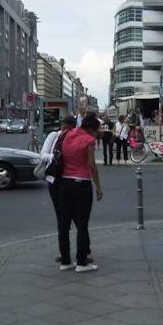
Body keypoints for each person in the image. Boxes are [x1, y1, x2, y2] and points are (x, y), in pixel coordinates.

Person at [58, 111, 103, 272]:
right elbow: (91, 165)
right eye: (96, 130)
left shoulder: (67, 134)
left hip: (65, 182)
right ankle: (81, 262)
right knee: (82, 223)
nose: (96, 133)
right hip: (81, 182)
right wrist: (98, 186)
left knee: (64, 222)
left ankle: (65, 261)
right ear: (91, 129)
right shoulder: (88, 140)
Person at [40, 115, 78, 262]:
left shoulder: (76, 138)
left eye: (67, 128)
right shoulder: (53, 136)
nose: (64, 130)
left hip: (71, 180)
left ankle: (84, 250)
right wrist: (56, 157)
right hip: (55, 180)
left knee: (76, 216)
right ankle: (64, 253)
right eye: (63, 127)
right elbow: (42, 155)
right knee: (61, 216)